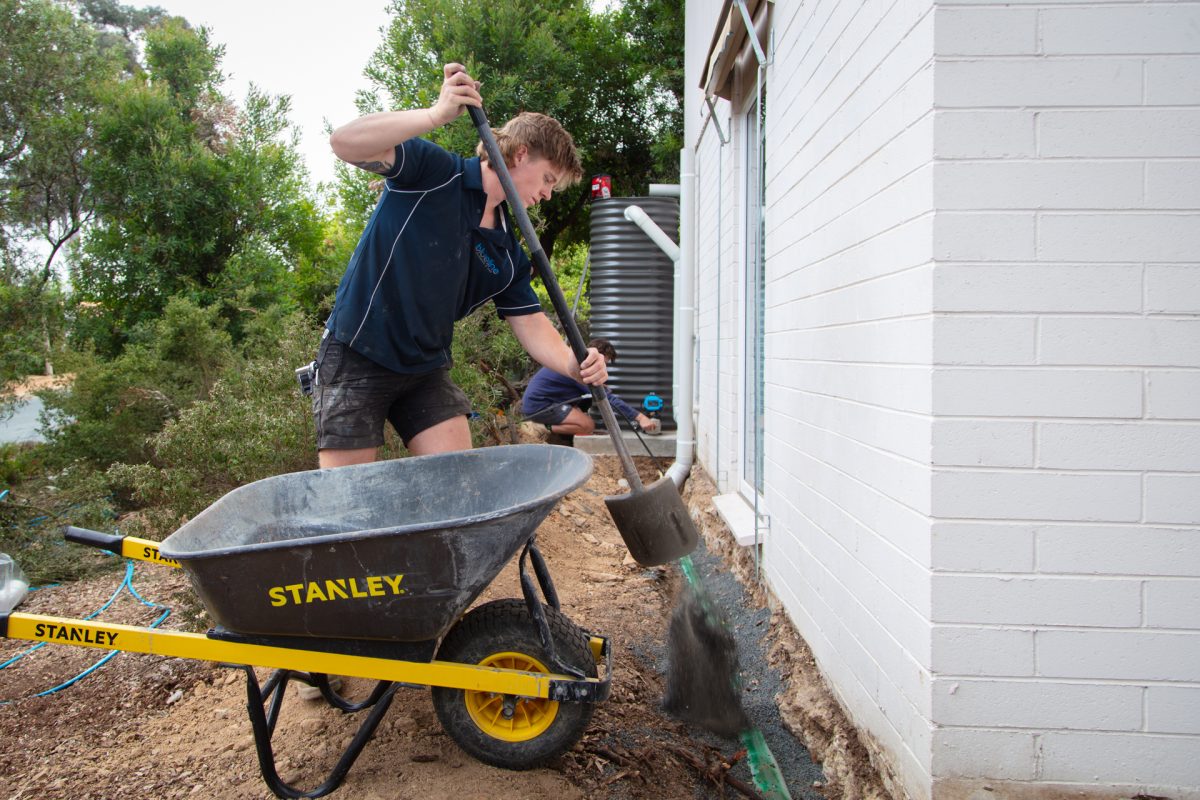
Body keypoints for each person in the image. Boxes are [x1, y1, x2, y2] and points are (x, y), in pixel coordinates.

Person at [312, 63, 608, 470]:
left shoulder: (506, 254)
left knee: (458, 487)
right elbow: (344, 143)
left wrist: (574, 364)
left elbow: (531, 322)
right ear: (521, 155)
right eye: (548, 178)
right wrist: (435, 115)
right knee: (348, 503)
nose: (548, 194)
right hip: (358, 351)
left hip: (424, 370)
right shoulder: (433, 174)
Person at [521, 338, 661, 437]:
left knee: (584, 409)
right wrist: (640, 417)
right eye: (603, 361)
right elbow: (607, 399)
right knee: (587, 426)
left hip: (544, 401)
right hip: (540, 405)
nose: (603, 366)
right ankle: (540, 427)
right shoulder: (581, 368)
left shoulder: (576, 361)